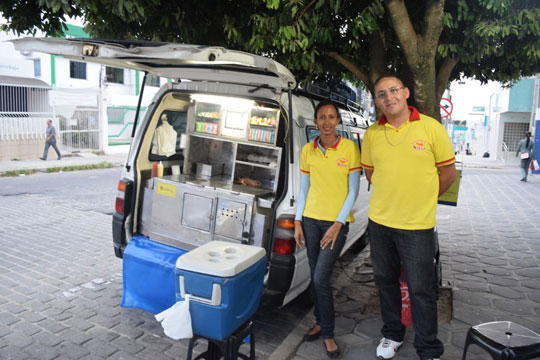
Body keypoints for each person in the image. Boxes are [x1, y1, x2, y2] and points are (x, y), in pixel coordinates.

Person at [360, 75, 457, 360]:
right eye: (381, 94)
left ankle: (428, 348)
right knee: (385, 282)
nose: (388, 97)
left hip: (417, 226)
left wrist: (422, 199)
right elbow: (370, 173)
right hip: (380, 224)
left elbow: (448, 174)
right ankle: (392, 334)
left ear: (406, 93)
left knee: (421, 289)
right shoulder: (372, 134)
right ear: (376, 101)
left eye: (393, 91)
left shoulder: (431, 128)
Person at [294, 99, 361, 359]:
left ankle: (328, 333)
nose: (326, 122)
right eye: (322, 117)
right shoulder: (307, 151)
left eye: (331, 117)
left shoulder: (349, 149)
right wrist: (298, 221)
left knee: (321, 278)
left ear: (337, 121)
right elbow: (304, 189)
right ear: (315, 122)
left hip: (336, 224)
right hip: (310, 221)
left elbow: (353, 191)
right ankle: (321, 321)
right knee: (315, 275)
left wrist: (338, 224)